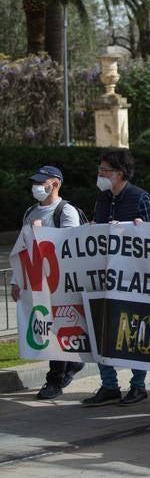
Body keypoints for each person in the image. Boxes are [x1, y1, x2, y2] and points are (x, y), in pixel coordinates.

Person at [82, 148, 150, 407]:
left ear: (121, 174)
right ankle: (109, 385)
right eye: (100, 170)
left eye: (105, 171)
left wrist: (136, 230)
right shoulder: (103, 199)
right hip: (104, 277)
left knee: (134, 331)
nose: (100, 174)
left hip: (133, 279)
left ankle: (138, 386)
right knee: (103, 330)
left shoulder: (140, 198)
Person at [11, 165, 84, 399]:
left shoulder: (66, 212)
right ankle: (72, 365)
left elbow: (70, 247)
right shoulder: (30, 212)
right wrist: (15, 281)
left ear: (56, 184)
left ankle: (55, 381)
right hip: (37, 282)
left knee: (57, 330)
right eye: (36, 182)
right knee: (45, 327)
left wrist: (42, 235)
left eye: (43, 182)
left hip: (60, 282)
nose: (37, 187)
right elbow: (23, 250)